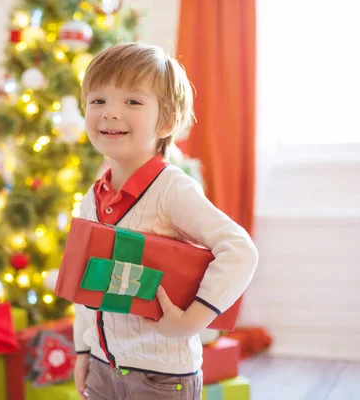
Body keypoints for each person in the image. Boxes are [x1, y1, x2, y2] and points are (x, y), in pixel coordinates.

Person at [72, 42, 258, 400]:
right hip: (101, 368)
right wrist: (83, 350)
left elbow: (239, 250)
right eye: (98, 101)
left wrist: (192, 320)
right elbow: (86, 286)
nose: (110, 113)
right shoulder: (91, 198)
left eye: (132, 101)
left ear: (167, 120)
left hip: (161, 378)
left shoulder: (173, 190)